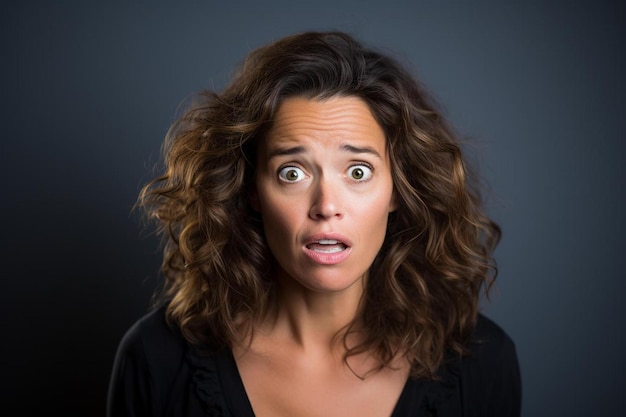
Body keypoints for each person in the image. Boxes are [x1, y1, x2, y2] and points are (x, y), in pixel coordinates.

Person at [107, 31, 521, 416]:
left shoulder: (481, 363)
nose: (326, 206)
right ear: (252, 190)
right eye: (293, 173)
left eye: (357, 172)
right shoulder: (156, 358)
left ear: (398, 190)